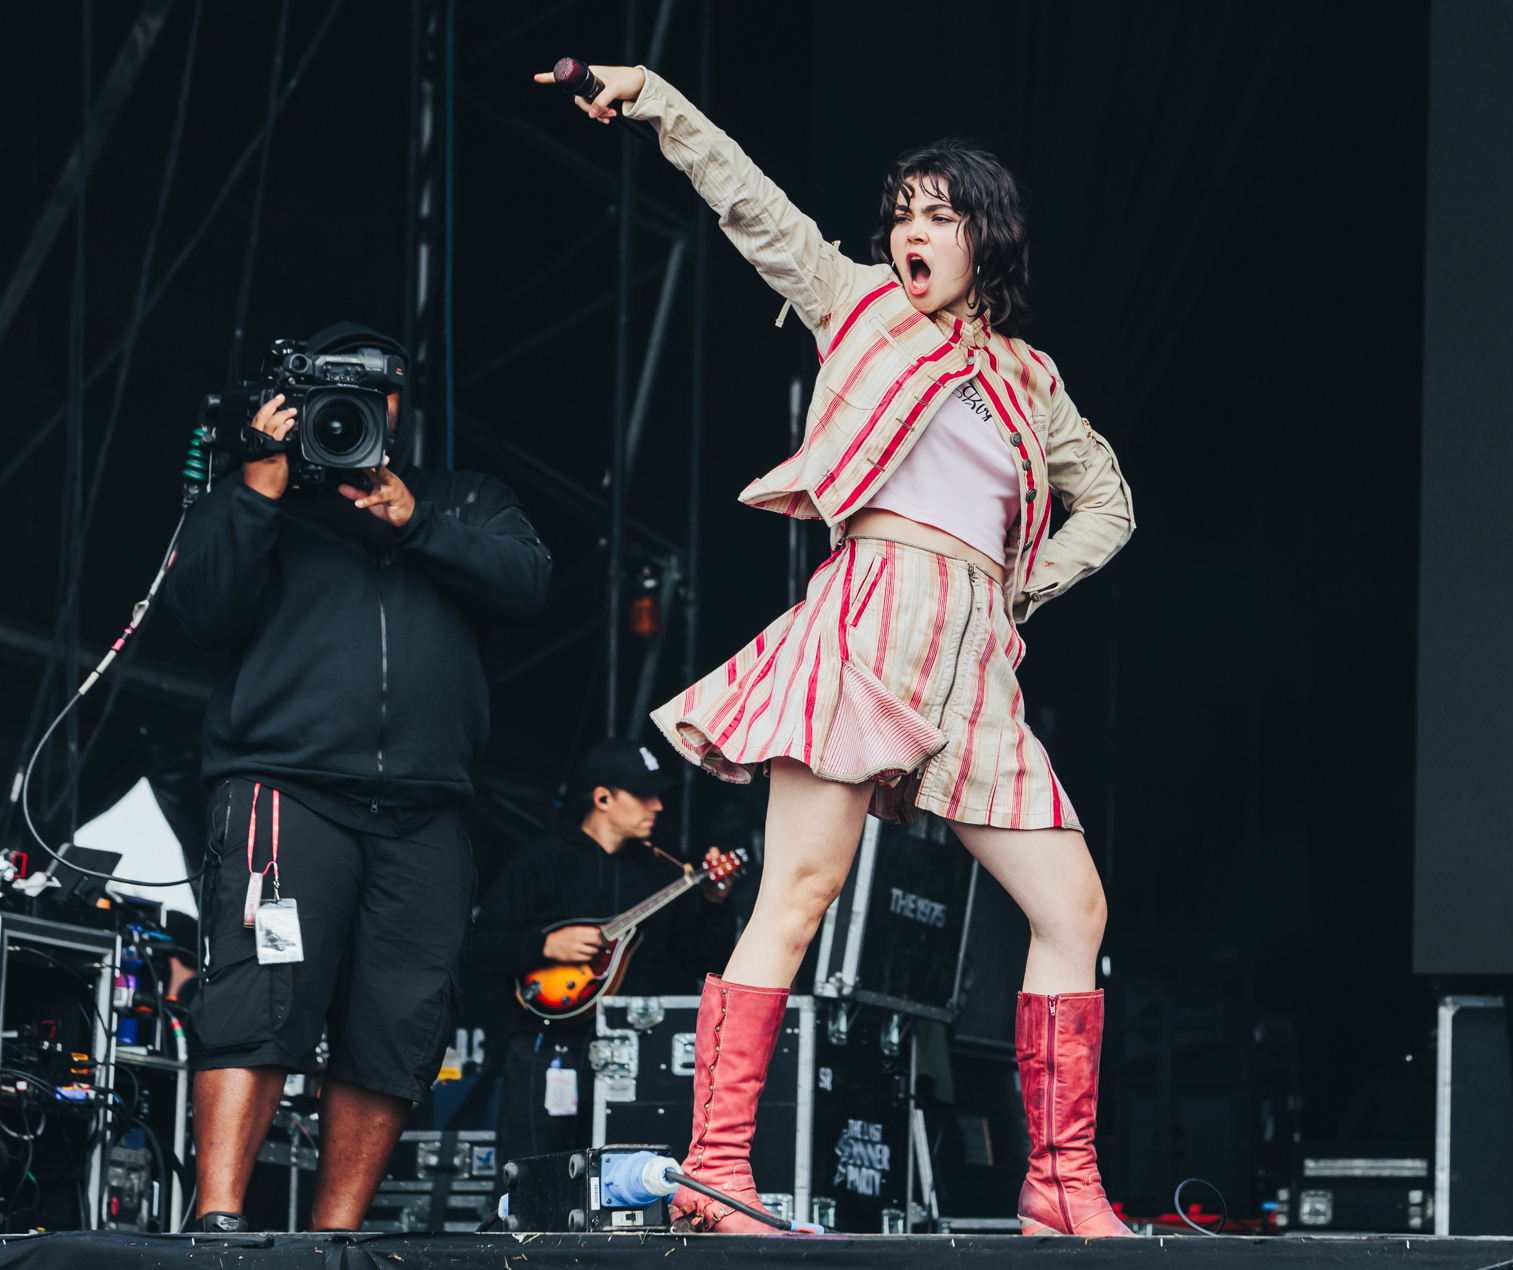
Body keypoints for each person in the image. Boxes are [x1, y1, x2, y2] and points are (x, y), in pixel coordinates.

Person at [533, 66, 1137, 1235]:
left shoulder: (1027, 377)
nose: (911, 231)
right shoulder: (855, 303)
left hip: (973, 652)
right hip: (869, 611)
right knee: (797, 891)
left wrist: (1023, 589)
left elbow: (1106, 499)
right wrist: (655, 95)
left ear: (984, 237)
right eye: (901, 211)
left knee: (1073, 908)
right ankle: (715, 1172)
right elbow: (748, 200)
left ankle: (1058, 1182)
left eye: (938, 214)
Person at [163, 322, 552, 1232]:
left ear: (399, 406)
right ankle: (218, 1222)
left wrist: (416, 523)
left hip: (424, 813)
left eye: (376, 393)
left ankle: (335, 1236)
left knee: (398, 1021)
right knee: (260, 994)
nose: (357, 411)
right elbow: (200, 611)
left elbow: (529, 581)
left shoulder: (463, 498)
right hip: (284, 790)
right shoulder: (259, 498)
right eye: (333, 393)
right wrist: (258, 482)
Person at [471, 739, 738, 1168]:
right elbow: (479, 947)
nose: (658, 806)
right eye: (644, 794)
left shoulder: (664, 873)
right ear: (603, 798)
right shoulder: (541, 861)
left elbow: (702, 960)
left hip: (633, 1052)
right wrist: (542, 945)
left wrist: (715, 904)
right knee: (534, 1180)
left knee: (627, 1189)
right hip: (545, 1046)